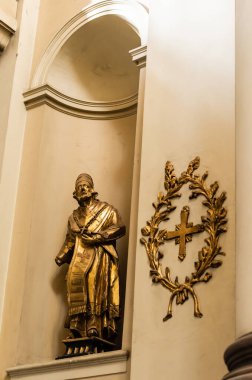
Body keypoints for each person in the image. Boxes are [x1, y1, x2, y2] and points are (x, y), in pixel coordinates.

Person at [55, 173, 125, 341]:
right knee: (75, 281)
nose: (83, 188)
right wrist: (62, 256)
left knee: (95, 284)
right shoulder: (73, 217)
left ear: (92, 189)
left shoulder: (107, 210)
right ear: (75, 193)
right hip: (79, 258)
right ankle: (77, 325)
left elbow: (120, 227)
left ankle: (95, 323)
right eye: (79, 186)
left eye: (85, 185)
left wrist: (99, 237)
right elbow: (70, 239)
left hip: (100, 257)